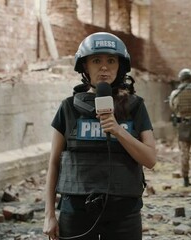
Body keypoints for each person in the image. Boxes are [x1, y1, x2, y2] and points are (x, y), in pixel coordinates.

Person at [42, 32, 156, 240]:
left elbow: (150, 159)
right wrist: (49, 215)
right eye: (96, 60)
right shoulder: (68, 108)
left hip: (124, 214)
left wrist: (118, 131)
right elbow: (54, 164)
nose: (104, 67)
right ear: (85, 66)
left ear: (120, 66)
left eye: (111, 61)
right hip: (75, 212)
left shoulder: (136, 107)